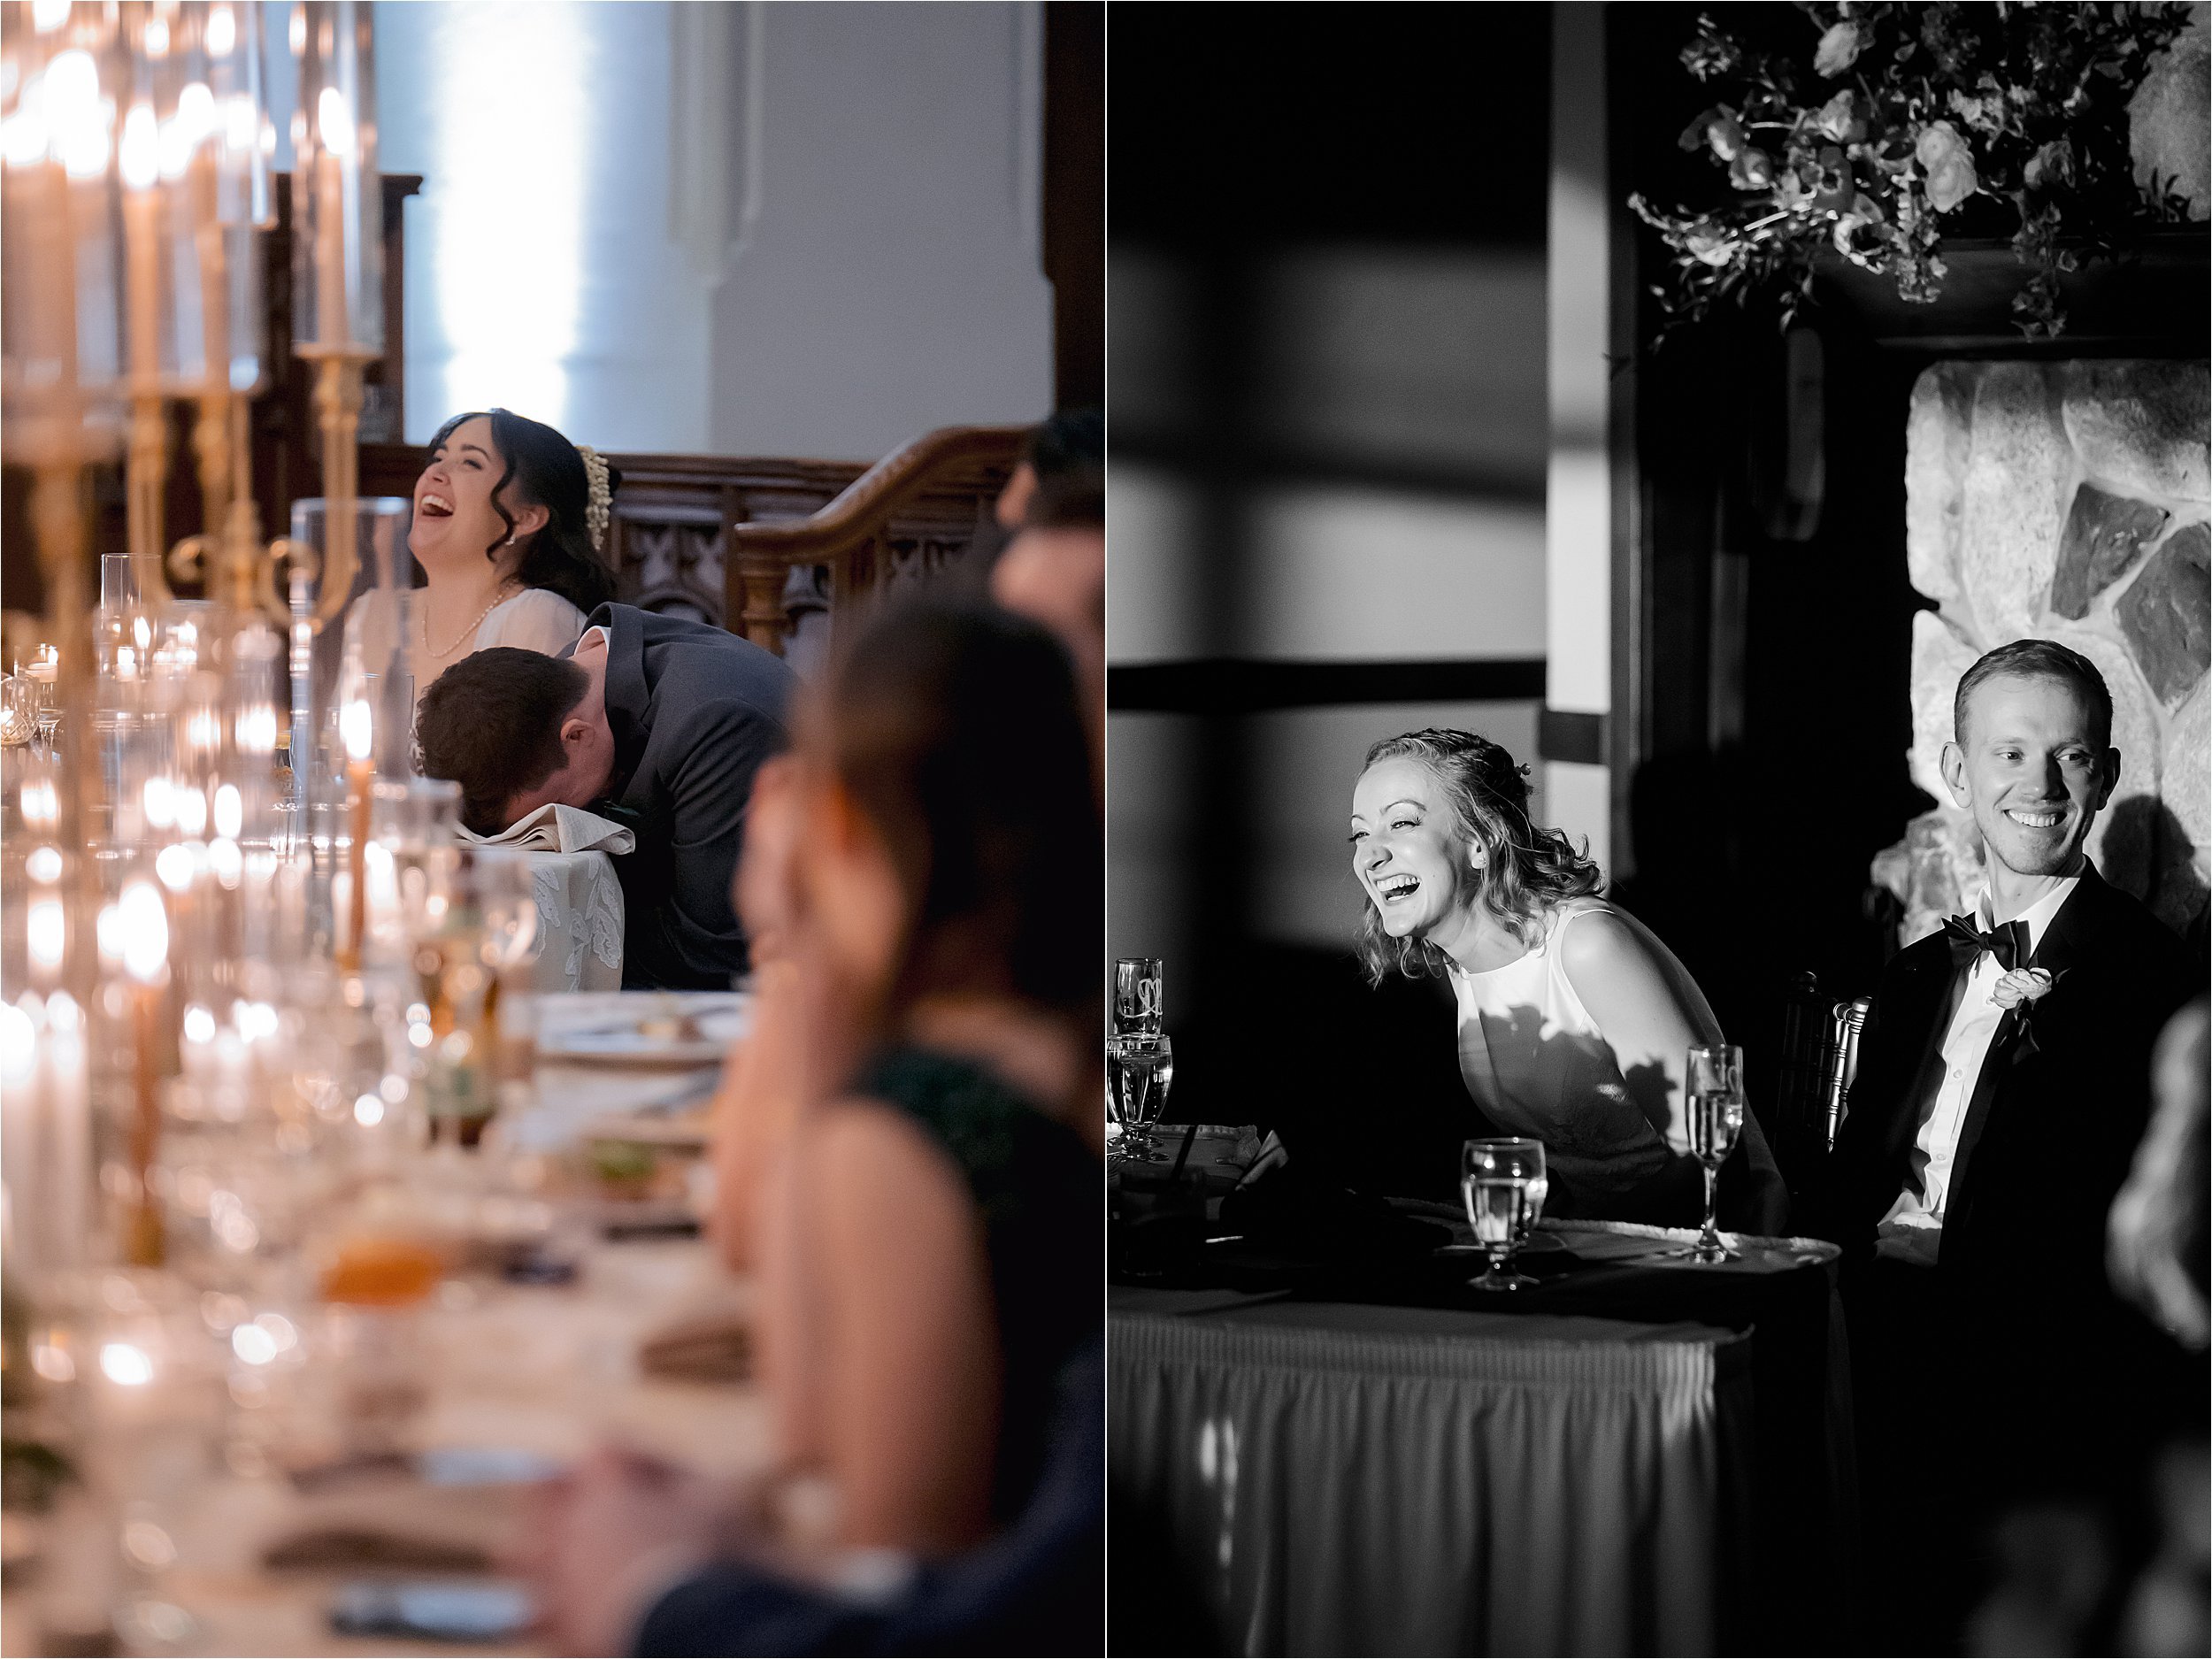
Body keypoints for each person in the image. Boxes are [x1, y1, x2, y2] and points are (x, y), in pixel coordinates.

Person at [522, 601, 1103, 1654]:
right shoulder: (1056, 1049)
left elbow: (874, 1537)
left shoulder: (906, 1130)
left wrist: (793, 946)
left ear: (833, 815)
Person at [1821, 639, 2200, 1649]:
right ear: (1957, 772)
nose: (2038, 784)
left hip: (2026, 1374)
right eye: (2009, 753)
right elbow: (1850, 1183)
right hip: (1873, 1340)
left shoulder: (2150, 981)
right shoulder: (1911, 979)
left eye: (2070, 757)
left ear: (2105, 778)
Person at [1348, 727, 1787, 1230]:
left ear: (1480, 842)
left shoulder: (1587, 946)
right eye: (1360, 833)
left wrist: (1563, 1239)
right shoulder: (1458, 963)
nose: (1370, 855)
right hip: (1597, 1247)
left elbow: (1716, 1169)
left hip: (1713, 1250)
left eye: (1400, 823)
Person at [414, 603, 795, 989]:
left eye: (558, 809)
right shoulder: (566, 685)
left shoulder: (714, 723)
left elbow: (707, 952)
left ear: (576, 735)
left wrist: (552, 950)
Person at [391, 409, 617, 693]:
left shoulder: (537, 619)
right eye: (438, 458)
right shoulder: (377, 613)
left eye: (470, 462)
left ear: (526, 518)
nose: (434, 473)